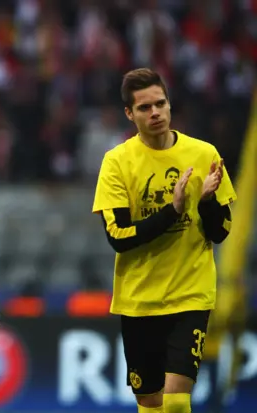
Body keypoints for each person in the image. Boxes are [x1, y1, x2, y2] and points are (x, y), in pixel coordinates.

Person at [92, 68, 236, 413]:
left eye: (160, 104)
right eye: (144, 108)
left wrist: (206, 202)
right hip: (139, 299)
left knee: (174, 401)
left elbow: (221, 231)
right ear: (130, 114)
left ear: (170, 105)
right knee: (150, 402)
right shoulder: (116, 163)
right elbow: (119, 237)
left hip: (190, 295)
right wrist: (171, 211)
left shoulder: (204, 155)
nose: (155, 113)